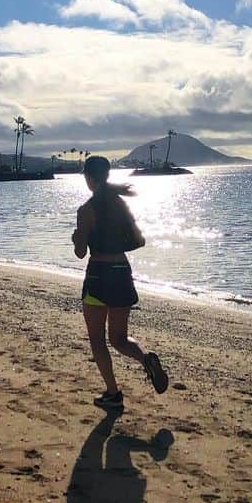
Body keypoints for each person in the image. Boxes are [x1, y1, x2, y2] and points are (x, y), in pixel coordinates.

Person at [73, 155, 168, 409]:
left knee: (97, 339)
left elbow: (80, 252)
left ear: (89, 178)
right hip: (121, 271)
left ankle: (113, 394)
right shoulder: (119, 204)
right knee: (120, 338)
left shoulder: (86, 210)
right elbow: (139, 239)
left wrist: (77, 238)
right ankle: (146, 359)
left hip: (98, 275)